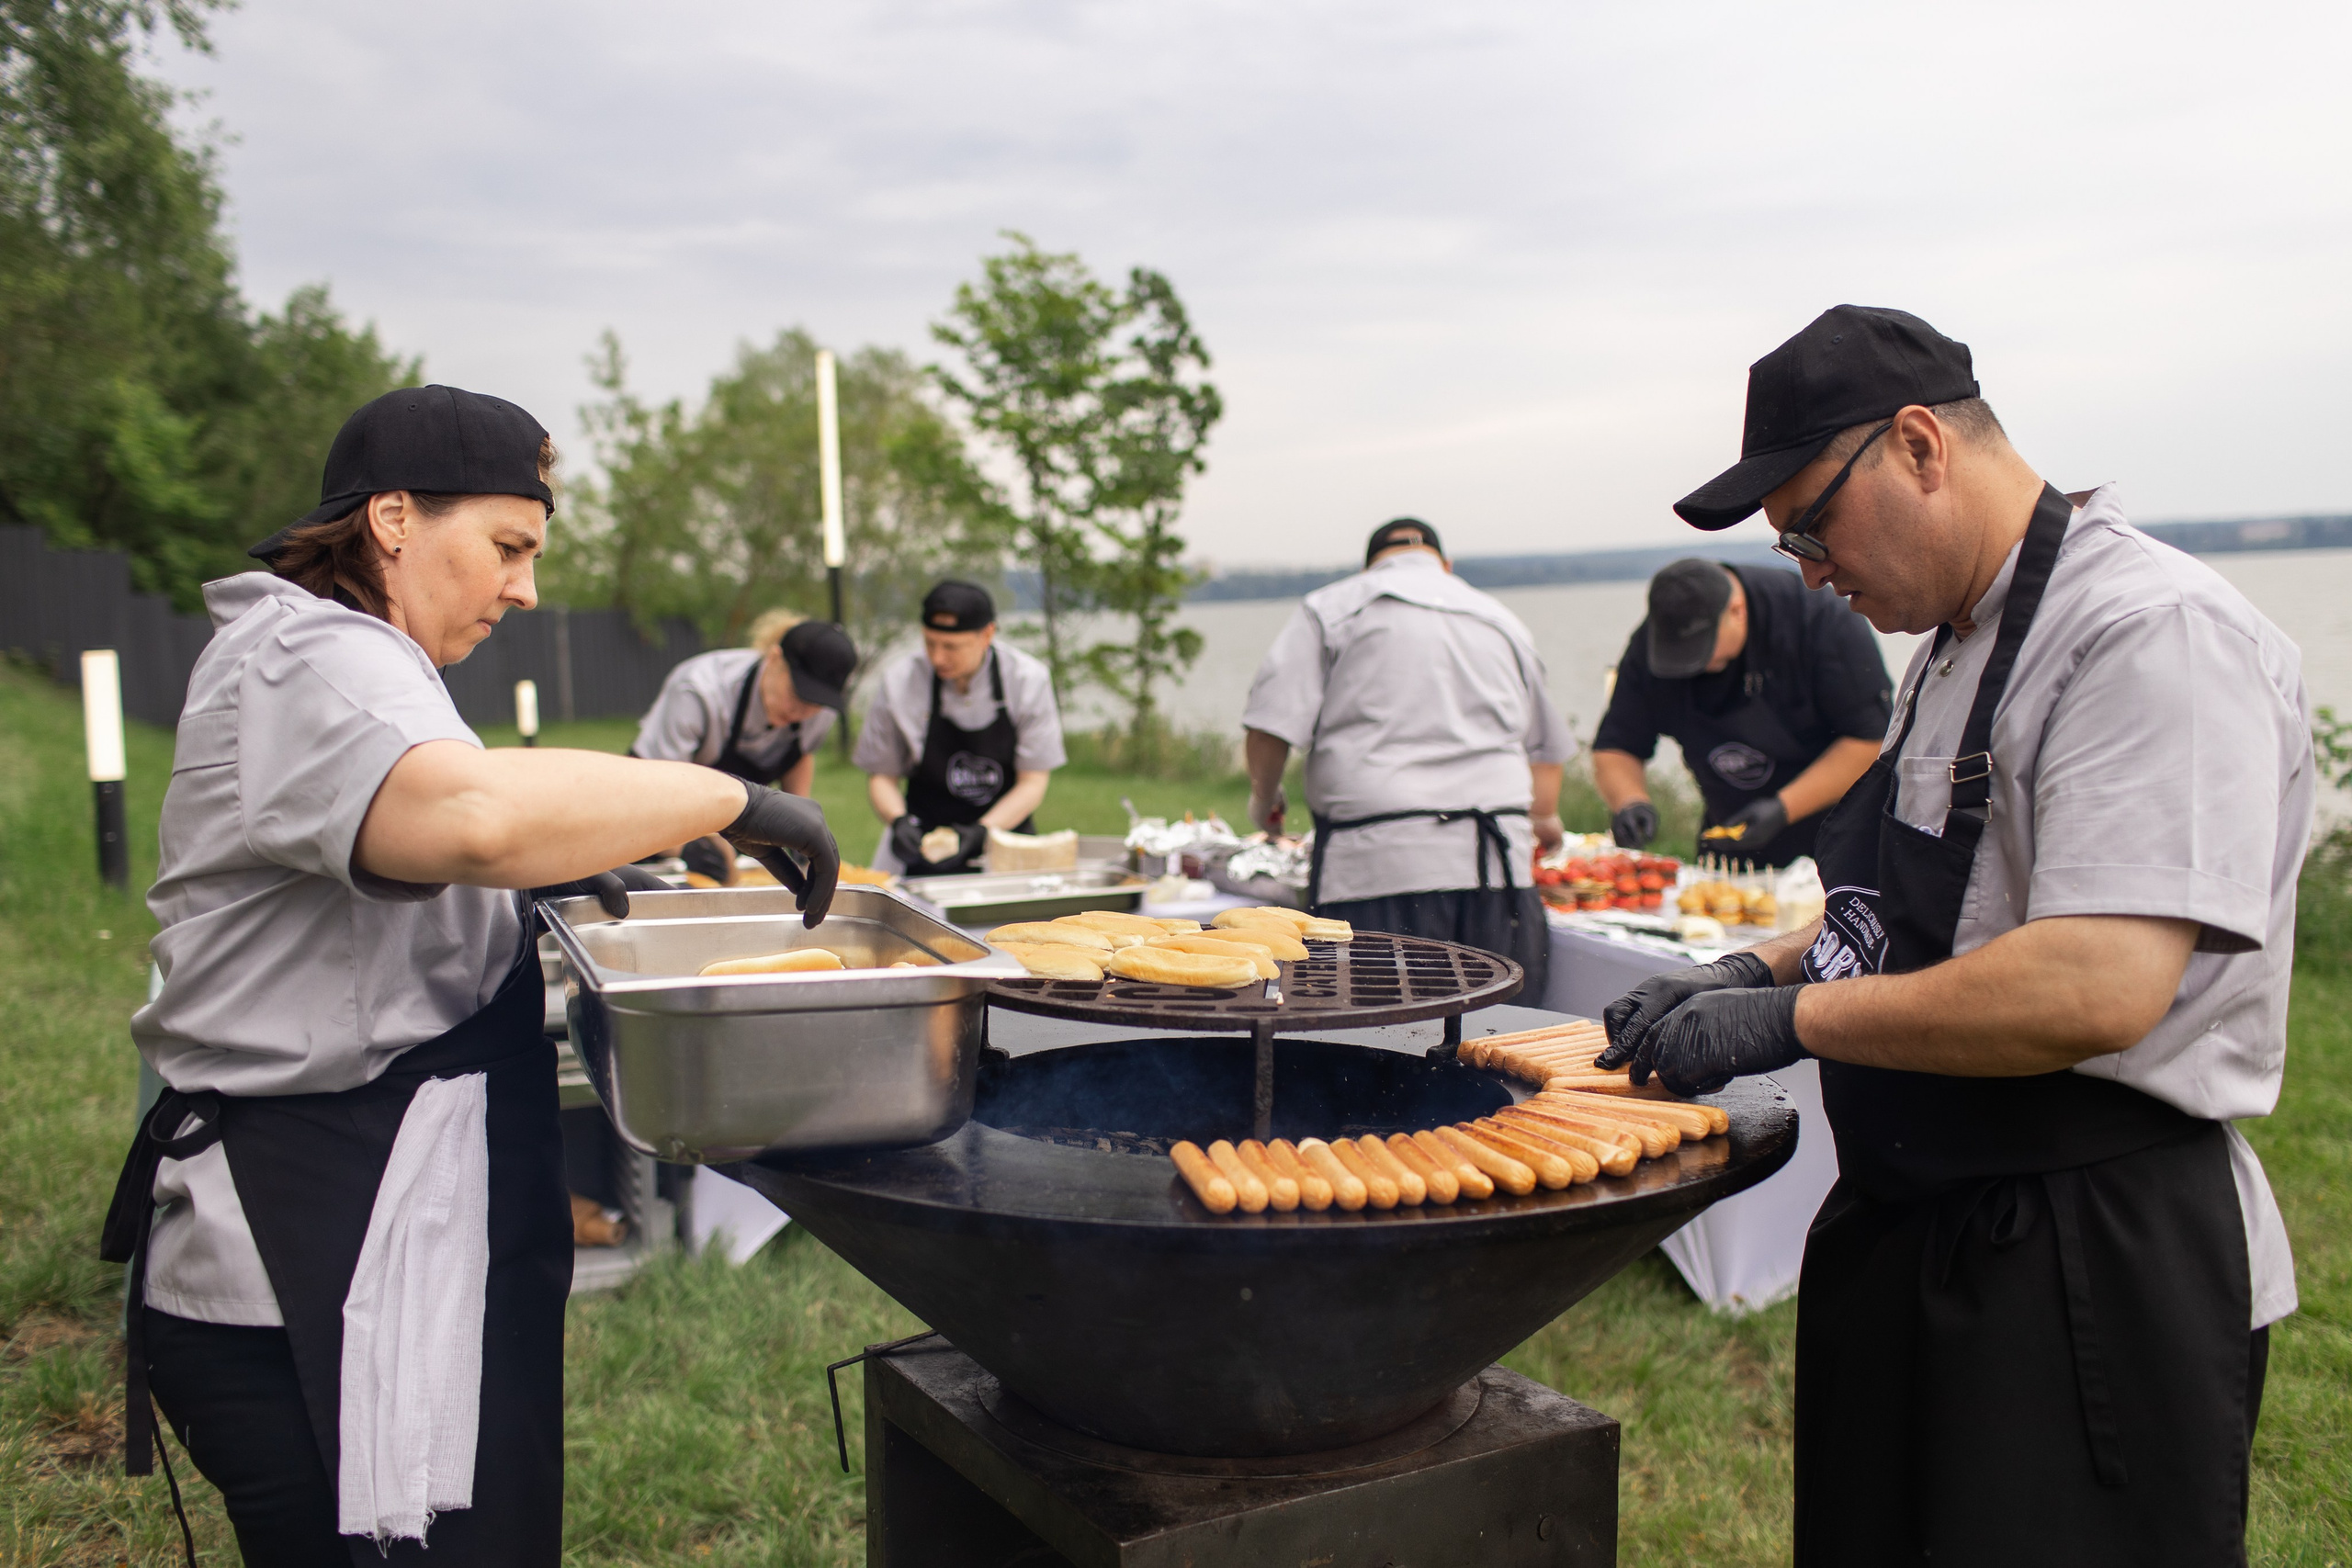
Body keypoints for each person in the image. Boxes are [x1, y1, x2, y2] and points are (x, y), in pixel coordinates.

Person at [1598, 306, 2302, 1566]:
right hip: (1921, 1219)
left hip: (2082, 1249)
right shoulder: (1955, 645)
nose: (1807, 568)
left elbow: (2095, 980)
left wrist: (1789, 1018)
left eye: (1813, 522)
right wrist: (1749, 965)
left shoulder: (2147, 634)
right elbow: (1904, 916)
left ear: (1920, 444)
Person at [105, 385, 840, 1567]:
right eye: (507, 548)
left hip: (376, 1231)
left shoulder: (357, 656)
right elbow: (477, 815)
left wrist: (568, 871)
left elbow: (439, 844)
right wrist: (734, 799)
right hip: (307, 1269)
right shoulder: (310, 654)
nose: (526, 588)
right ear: (393, 518)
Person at [1242, 518, 1577, 997]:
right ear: (1445, 565)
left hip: (1375, 878)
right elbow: (1545, 752)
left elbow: (1269, 729)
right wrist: (1544, 818)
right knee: (1500, 1048)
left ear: (1370, 564)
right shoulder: (1501, 619)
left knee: (1369, 1050)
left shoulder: (1331, 607)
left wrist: (1265, 803)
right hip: (1500, 879)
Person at [1592, 555, 1888, 866]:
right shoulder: (1655, 644)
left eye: (1701, 652)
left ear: (1737, 612)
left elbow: (1871, 741)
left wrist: (1783, 808)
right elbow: (1617, 746)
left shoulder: (1816, 618)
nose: (1691, 667)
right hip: (1730, 838)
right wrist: (1630, 802)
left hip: (1836, 836)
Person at [854, 580, 1066, 875]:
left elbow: (1032, 783)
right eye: (930, 643)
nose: (937, 657)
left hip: (1005, 846)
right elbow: (881, 775)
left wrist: (981, 832)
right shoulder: (899, 682)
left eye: (951, 647)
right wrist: (898, 821)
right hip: (922, 846)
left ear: (987, 635)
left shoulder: (1028, 681)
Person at [630, 608, 857, 882]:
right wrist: (686, 843)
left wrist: (800, 829)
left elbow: (799, 756)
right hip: (648, 813)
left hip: (731, 823)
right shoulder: (698, 689)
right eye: (798, 695)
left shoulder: (820, 712)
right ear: (774, 659)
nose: (802, 712)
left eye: (815, 703)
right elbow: (656, 789)